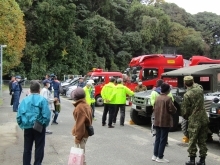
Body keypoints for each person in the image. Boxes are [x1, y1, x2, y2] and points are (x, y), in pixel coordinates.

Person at [16, 80, 51, 165]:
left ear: (30, 90)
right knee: (39, 147)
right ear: (39, 90)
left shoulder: (24, 100)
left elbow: (19, 115)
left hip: (27, 126)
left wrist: (22, 125)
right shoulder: (42, 100)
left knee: (27, 148)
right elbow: (46, 115)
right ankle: (37, 163)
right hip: (39, 126)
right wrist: (43, 124)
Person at [181, 76, 209, 165]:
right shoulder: (200, 89)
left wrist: (186, 117)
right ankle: (202, 161)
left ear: (185, 83)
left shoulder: (187, 95)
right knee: (202, 140)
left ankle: (192, 160)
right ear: (193, 82)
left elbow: (185, 111)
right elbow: (197, 85)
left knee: (192, 140)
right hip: (204, 118)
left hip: (194, 119)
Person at [152, 83, 177, 163]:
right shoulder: (168, 98)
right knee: (163, 139)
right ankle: (160, 157)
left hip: (157, 120)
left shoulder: (157, 98)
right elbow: (173, 110)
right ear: (168, 90)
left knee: (157, 138)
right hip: (165, 121)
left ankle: (155, 155)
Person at [71, 87, 92, 165]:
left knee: (78, 156)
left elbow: (80, 124)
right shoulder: (86, 104)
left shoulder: (80, 107)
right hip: (86, 133)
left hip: (81, 134)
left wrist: (77, 138)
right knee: (81, 154)